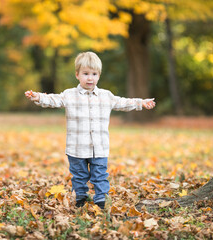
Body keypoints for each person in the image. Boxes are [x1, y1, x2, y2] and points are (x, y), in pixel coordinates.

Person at [25, 51, 156, 210]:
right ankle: (80, 197)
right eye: (85, 74)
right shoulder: (70, 95)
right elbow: (54, 99)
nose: (90, 78)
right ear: (77, 75)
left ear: (99, 76)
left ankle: (101, 199)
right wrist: (38, 97)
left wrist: (141, 103)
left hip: (99, 147)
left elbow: (123, 102)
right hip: (76, 147)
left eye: (94, 74)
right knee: (79, 176)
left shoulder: (106, 96)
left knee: (100, 175)